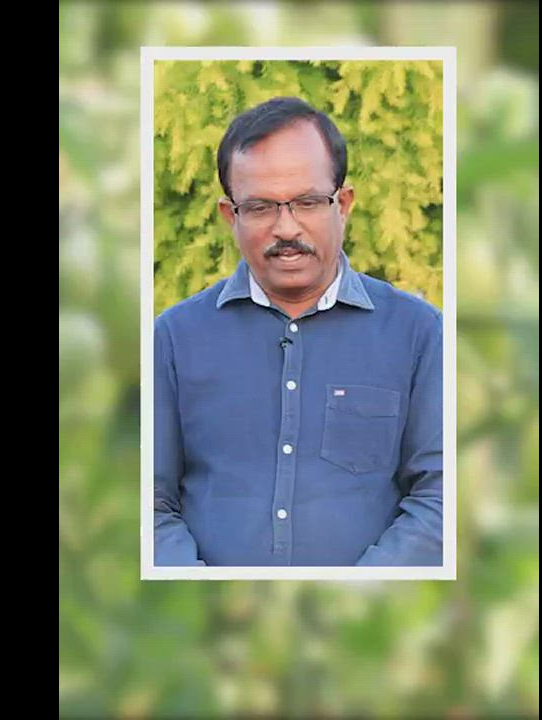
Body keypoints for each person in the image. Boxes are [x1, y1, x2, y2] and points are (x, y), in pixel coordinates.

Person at [154, 96, 442, 566]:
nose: (286, 228)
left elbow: (440, 496)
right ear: (230, 215)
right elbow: (148, 504)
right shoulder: (172, 339)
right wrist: (202, 595)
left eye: (307, 202)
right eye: (260, 207)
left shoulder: (419, 334)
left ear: (342, 204)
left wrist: (357, 596)